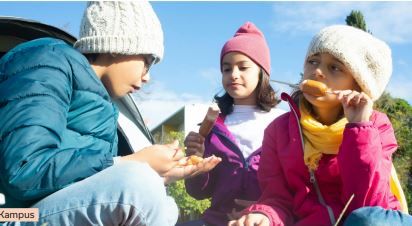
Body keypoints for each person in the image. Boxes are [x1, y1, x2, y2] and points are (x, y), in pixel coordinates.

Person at [0, 1, 220, 225]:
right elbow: (23, 169)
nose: (147, 77)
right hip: (13, 213)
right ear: (119, 45)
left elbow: (78, 187)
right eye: (148, 62)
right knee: (138, 182)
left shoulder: (106, 110)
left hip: (40, 210)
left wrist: (162, 175)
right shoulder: (48, 60)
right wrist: (131, 163)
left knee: (167, 205)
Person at [229, 25, 412, 226]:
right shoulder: (278, 131)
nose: (316, 71)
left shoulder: (376, 126)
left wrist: (359, 127)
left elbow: (369, 203)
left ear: (358, 84)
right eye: (312, 61)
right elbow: (277, 198)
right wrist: (265, 216)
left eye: (335, 67)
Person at [181, 22, 285, 226]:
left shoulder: (283, 124)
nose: (233, 75)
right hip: (216, 221)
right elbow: (199, 193)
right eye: (226, 69)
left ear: (262, 71)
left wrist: (265, 211)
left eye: (243, 67)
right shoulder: (213, 126)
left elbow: (293, 183)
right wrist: (196, 162)